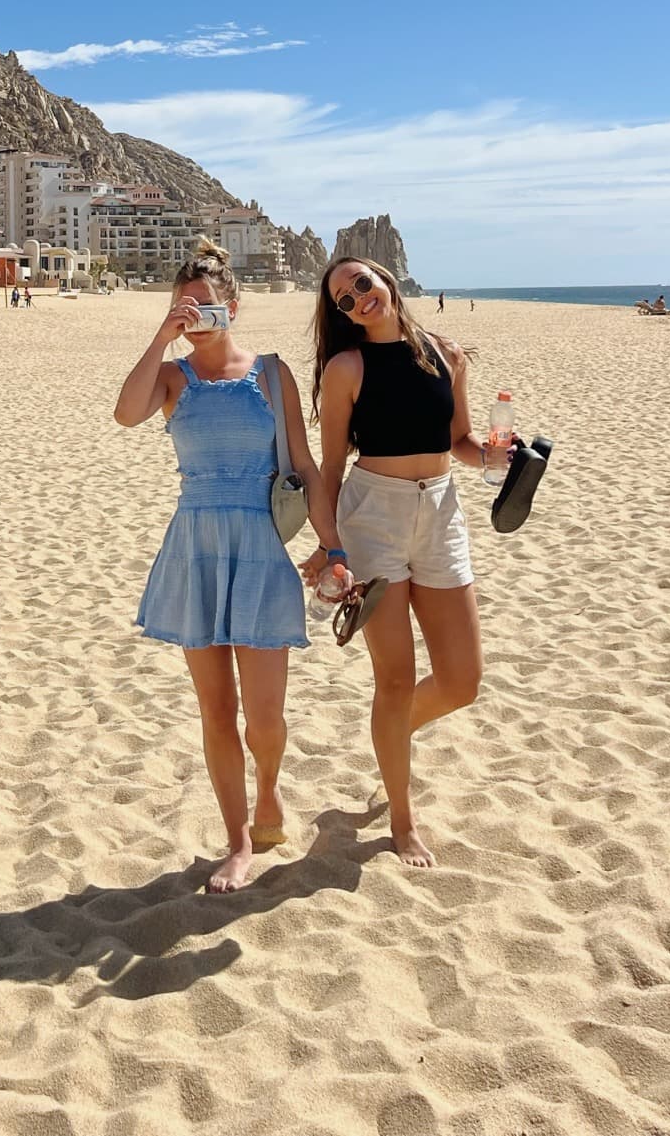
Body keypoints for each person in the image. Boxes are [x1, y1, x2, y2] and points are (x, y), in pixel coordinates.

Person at [115, 238, 342, 894]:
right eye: (185, 308)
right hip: (197, 548)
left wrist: (333, 547)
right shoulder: (171, 378)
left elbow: (304, 464)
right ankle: (238, 841)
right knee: (216, 711)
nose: (197, 318)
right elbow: (126, 412)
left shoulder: (270, 373)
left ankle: (269, 787)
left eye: (208, 307)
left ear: (235, 306)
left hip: (262, 549)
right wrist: (162, 335)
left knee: (263, 718)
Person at [305, 256, 499, 869]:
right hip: (373, 520)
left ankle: (392, 732)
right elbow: (330, 467)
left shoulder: (445, 351)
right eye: (343, 299)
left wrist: (498, 456)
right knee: (393, 679)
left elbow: (462, 444)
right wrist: (330, 544)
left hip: (440, 512)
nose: (358, 298)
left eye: (363, 283)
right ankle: (401, 818)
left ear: (385, 279)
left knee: (462, 680)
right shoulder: (346, 368)